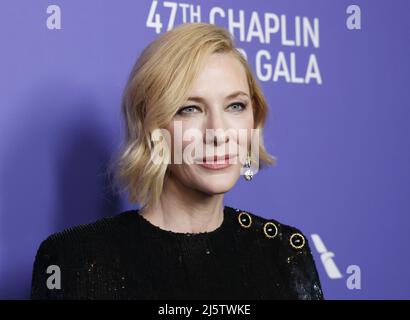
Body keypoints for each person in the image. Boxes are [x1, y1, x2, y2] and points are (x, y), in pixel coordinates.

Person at [31, 22, 324, 300]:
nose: (219, 133)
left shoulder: (283, 251)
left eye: (235, 106)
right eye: (189, 109)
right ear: (151, 126)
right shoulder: (73, 259)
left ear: (254, 117)